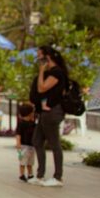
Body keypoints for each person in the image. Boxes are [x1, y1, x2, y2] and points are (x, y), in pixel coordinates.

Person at [28, 45, 68, 187]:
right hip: (45, 112)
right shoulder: (51, 71)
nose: (38, 57)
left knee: (54, 143)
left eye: (40, 55)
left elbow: (42, 87)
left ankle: (58, 177)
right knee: (37, 140)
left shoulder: (56, 72)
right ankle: (40, 175)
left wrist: (41, 70)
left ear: (47, 56)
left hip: (52, 112)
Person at [15, 102, 37, 182]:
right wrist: (18, 143)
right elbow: (18, 134)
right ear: (29, 113)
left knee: (30, 161)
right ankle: (21, 174)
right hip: (24, 145)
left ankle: (30, 174)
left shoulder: (33, 123)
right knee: (23, 160)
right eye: (32, 112)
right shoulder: (21, 123)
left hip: (31, 145)